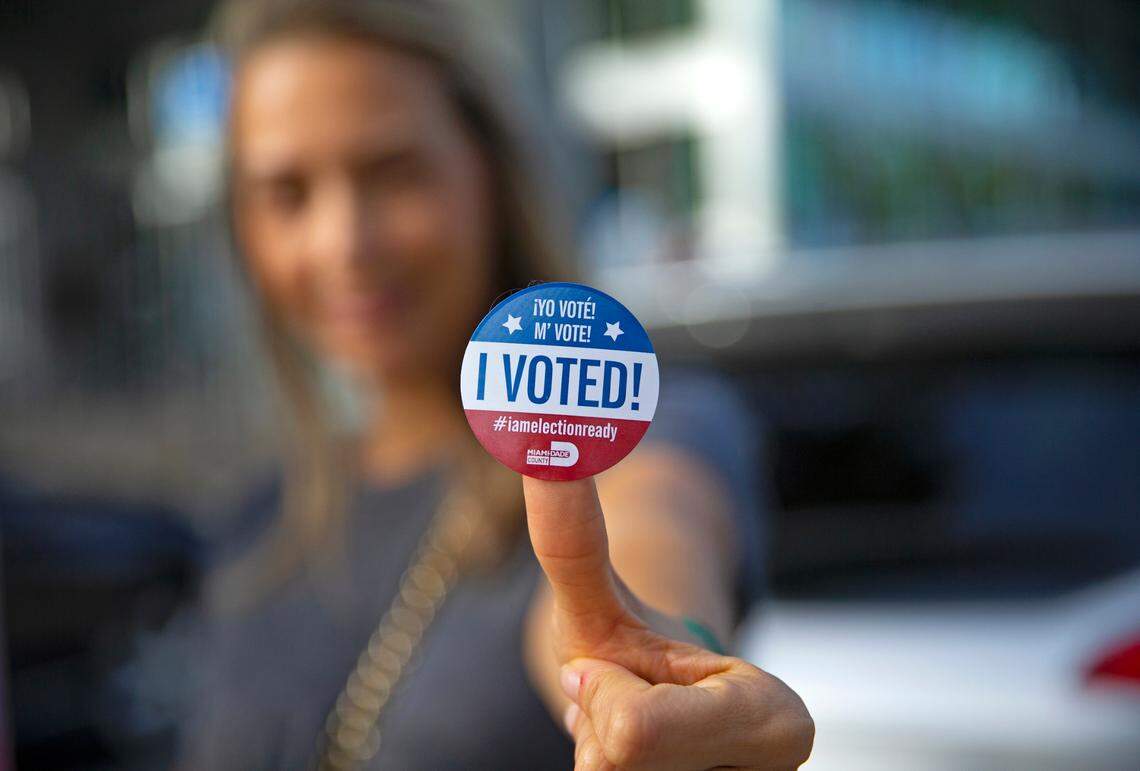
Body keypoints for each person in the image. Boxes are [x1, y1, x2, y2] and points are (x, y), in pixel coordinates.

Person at [185, 1, 814, 768]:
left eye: (393, 172)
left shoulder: (625, 427)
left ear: (488, 172)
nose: (343, 241)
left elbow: (654, 524)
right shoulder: (261, 521)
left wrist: (657, 665)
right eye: (287, 193)